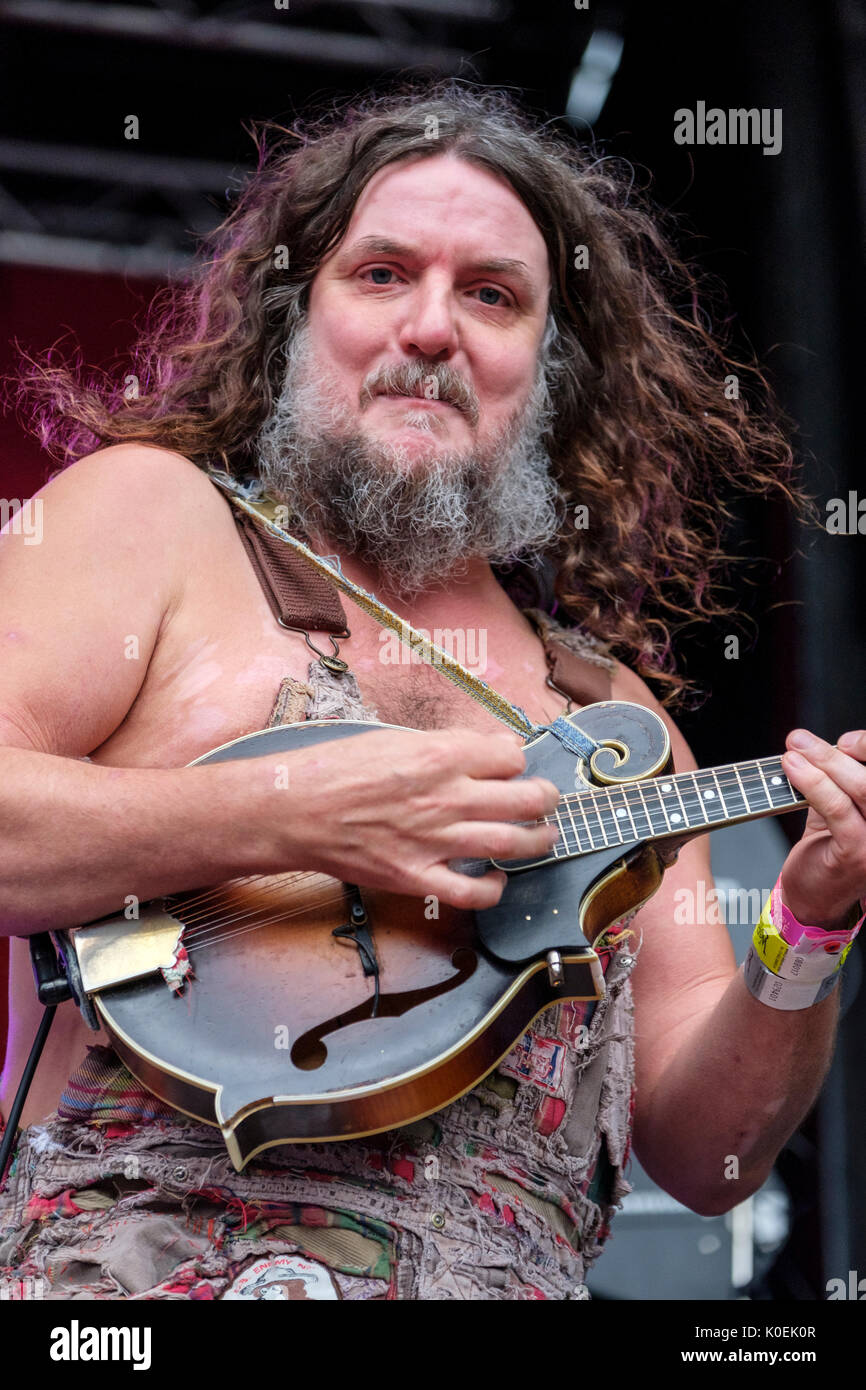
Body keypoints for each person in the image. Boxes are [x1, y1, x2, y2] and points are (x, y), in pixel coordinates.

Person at [0, 80, 864, 1301]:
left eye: (492, 296)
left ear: (549, 373)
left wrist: (808, 928)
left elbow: (706, 1153)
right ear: (298, 316)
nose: (431, 328)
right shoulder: (153, 519)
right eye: (381, 274)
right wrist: (296, 812)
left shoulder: (613, 722)